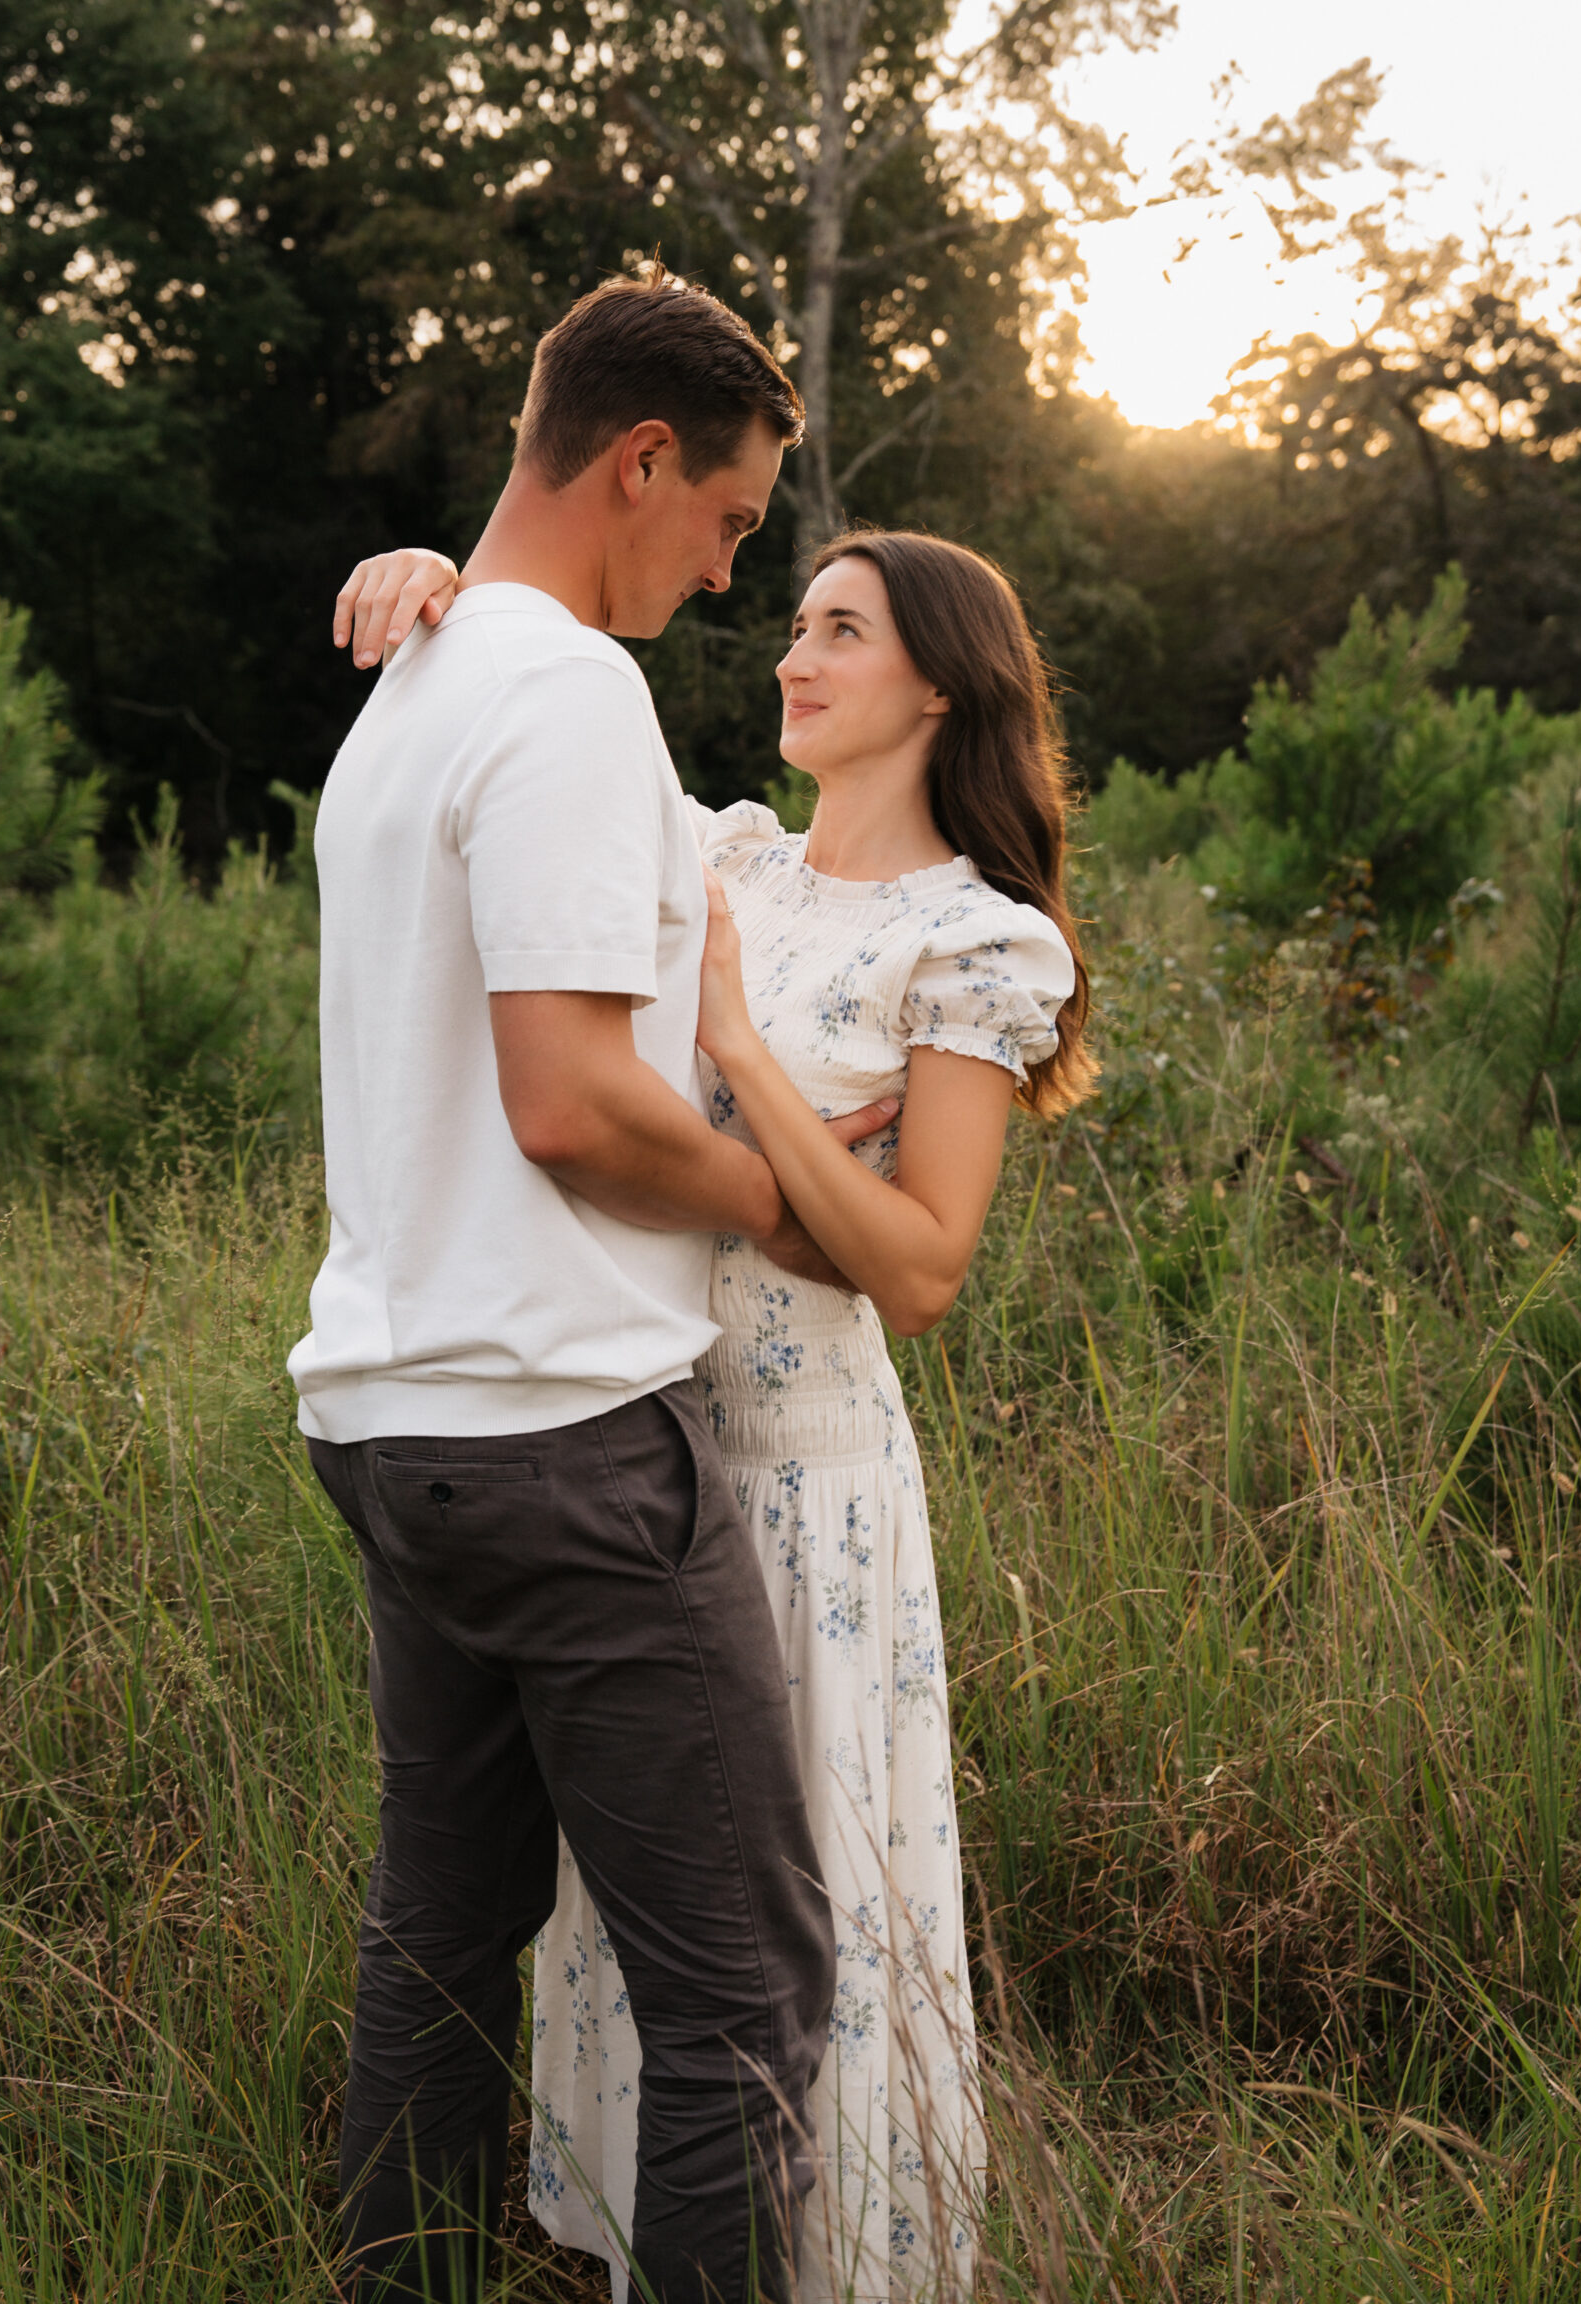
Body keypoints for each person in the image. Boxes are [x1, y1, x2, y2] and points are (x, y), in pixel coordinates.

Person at [336, 524, 1096, 2302]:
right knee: (642, 1921)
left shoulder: (972, 942)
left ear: (943, 685)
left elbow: (921, 1268)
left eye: (841, 631)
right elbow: (513, 763)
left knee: (787, 1923)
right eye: (796, 622)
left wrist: (742, 1053)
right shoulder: (722, 850)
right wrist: (445, 582)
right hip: (634, 1438)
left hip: (813, 1477)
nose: (791, 656)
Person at [290, 262, 910, 2304]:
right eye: (726, 516)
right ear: (639, 459)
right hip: (561, 1438)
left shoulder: (412, 690)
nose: (730, 573)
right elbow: (564, 1101)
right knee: (743, 1990)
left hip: (399, 1425)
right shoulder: (559, 692)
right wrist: (769, 1199)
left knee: (440, 1944)